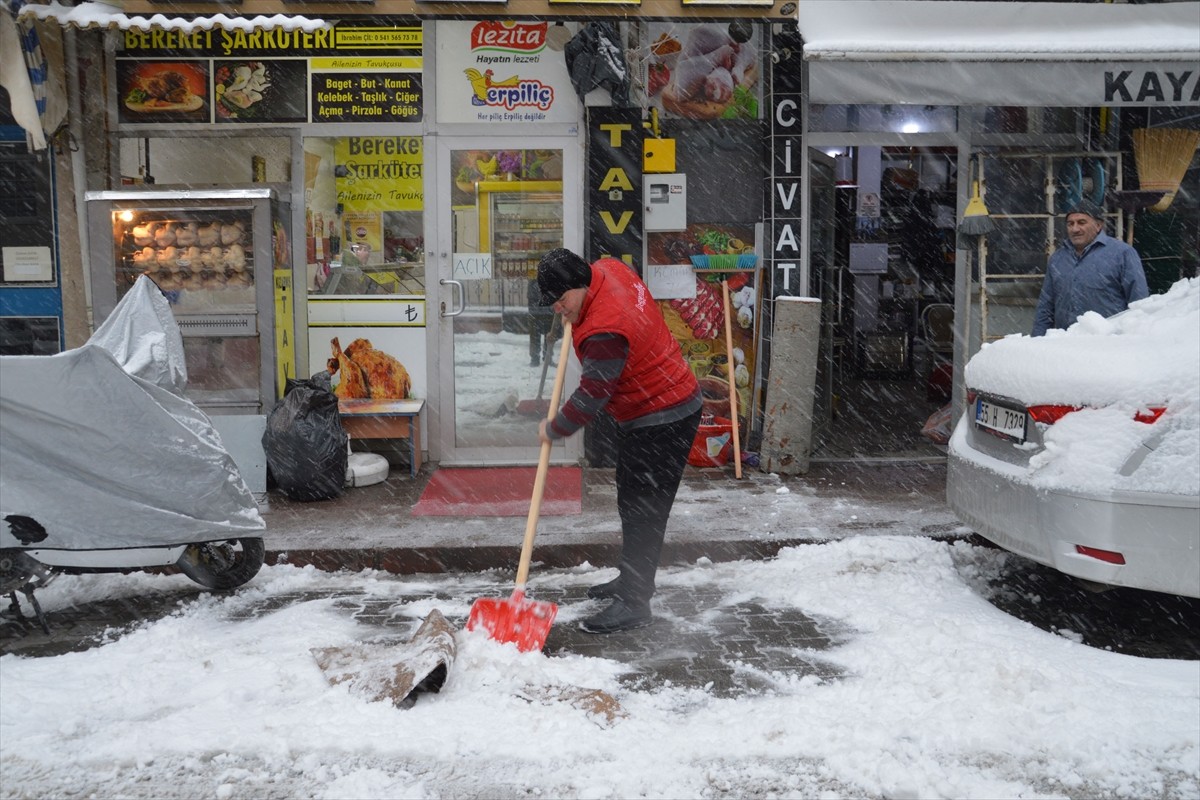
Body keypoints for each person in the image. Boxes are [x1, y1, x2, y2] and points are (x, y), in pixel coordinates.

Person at [536, 248, 702, 634]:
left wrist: (555, 427)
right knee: (633, 501)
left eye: (563, 301)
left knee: (644, 509)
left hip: (662, 415)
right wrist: (574, 313)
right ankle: (632, 581)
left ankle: (635, 602)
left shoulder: (606, 329)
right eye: (554, 304)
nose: (560, 310)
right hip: (660, 401)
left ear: (581, 284)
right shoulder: (608, 268)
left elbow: (592, 396)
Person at [1032, 199, 1148, 336]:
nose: (1075, 229)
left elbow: (1139, 303)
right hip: (1065, 343)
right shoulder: (1058, 259)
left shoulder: (1122, 254)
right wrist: (1037, 340)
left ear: (1098, 226)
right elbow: (1046, 306)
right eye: (1070, 224)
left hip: (1107, 343)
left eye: (1082, 222)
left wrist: (1134, 339)